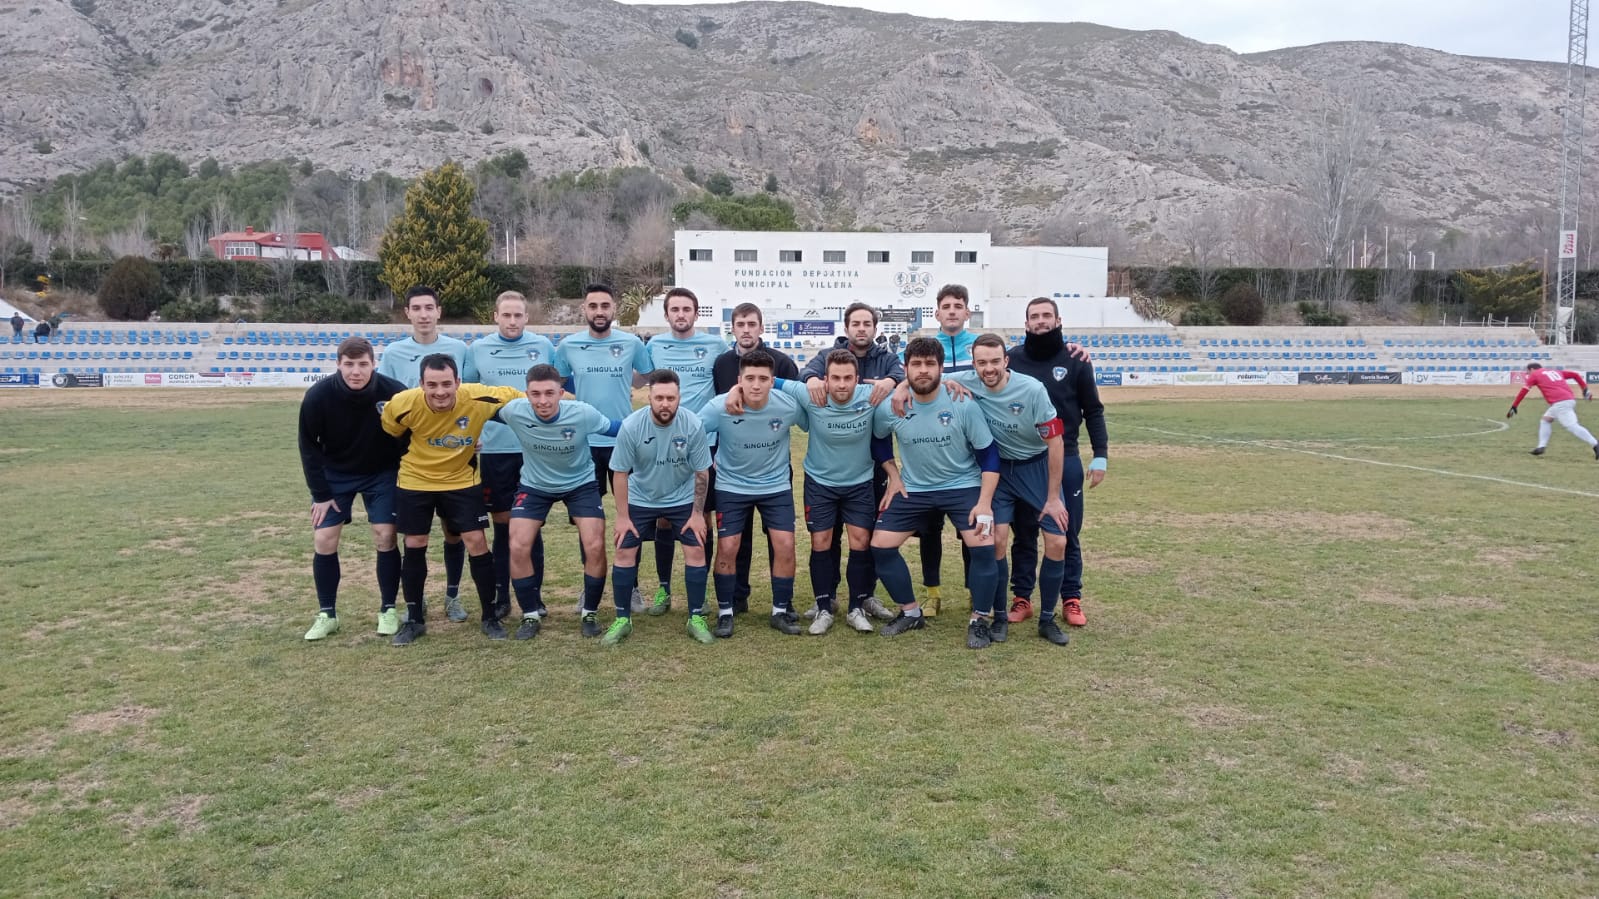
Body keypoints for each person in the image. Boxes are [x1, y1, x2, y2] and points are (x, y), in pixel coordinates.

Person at [379, 354, 522, 645]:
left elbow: (520, 397)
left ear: (458, 382)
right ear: (421, 384)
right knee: (414, 543)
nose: (440, 391)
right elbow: (391, 430)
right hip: (415, 480)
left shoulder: (479, 397)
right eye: (432, 385)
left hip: (461, 480)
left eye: (447, 383)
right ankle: (415, 620)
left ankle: (489, 617)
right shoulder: (402, 405)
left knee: (476, 542)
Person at [870, 337, 1002, 649]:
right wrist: (893, 476)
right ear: (906, 369)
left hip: (962, 486)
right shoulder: (892, 406)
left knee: (984, 544)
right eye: (916, 364)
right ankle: (911, 612)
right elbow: (878, 442)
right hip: (914, 489)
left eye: (930, 364)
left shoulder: (962, 403)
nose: (923, 371)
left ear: (942, 368)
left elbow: (989, 456)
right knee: (880, 547)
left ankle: (979, 619)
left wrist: (984, 503)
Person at [948, 334, 1074, 646]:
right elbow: (921, 376)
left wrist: (1054, 497)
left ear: (1006, 361)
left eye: (994, 361)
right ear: (973, 363)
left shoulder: (1032, 390)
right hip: (998, 472)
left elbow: (1055, 441)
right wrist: (898, 387)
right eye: (981, 363)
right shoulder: (966, 380)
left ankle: (1047, 619)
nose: (988, 369)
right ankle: (1000, 616)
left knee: (1057, 541)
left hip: (1036, 467)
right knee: (997, 540)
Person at [493, 365, 624, 641]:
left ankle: (589, 611)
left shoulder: (583, 414)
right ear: (526, 394)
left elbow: (617, 428)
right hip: (534, 485)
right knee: (517, 543)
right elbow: (471, 409)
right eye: (535, 394)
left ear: (562, 393)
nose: (543, 401)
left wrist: (661, 425)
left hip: (581, 484)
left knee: (595, 543)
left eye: (549, 393)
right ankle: (530, 614)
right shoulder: (514, 411)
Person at [795, 302, 904, 624]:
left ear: (875, 328)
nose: (861, 328)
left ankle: (864, 597)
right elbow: (804, 376)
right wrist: (812, 379)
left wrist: (892, 382)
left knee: (865, 537)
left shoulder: (886, 357)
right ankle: (825, 599)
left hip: (868, 463)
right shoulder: (829, 355)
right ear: (846, 328)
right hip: (827, 469)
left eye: (867, 323)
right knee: (826, 538)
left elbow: (905, 377)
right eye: (855, 323)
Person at [1004, 298, 1107, 630]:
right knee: (1024, 533)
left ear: (1058, 320)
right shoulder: (1013, 360)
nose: (1041, 321)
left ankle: (1071, 598)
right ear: (1026, 324)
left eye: (1046, 315)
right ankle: (1022, 597)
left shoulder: (1075, 360)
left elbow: (1093, 410)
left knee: (1066, 531)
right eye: (1034, 316)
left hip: (1068, 456)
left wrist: (1101, 455)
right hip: (1024, 460)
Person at [296, 337, 408, 641]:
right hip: (335, 475)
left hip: (382, 473)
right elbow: (309, 447)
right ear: (338, 365)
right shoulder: (318, 396)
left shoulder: (394, 392)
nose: (355, 371)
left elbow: (414, 433)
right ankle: (327, 614)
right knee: (324, 538)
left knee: (385, 535)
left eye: (362, 364)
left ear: (373, 364)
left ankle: (388, 609)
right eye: (349, 364)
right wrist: (320, 495)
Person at [376, 286, 473, 621]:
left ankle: (453, 596)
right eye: (416, 308)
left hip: (454, 454)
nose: (423, 314)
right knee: (414, 535)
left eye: (429, 307)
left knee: (454, 531)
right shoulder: (393, 353)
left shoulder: (459, 349)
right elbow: (386, 403)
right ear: (407, 313)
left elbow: (470, 397)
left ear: (439, 311)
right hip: (411, 454)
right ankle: (415, 602)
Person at [462, 291, 557, 629]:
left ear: (527, 317)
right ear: (495, 316)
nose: (513, 321)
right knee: (504, 525)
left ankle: (536, 596)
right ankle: (503, 596)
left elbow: (558, 394)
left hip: (535, 449)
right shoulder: (477, 350)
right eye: (507, 315)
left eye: (519, 315)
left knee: (533, 525)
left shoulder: (544, 347)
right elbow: (466, 399)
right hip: (495, 451)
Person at [699, 349, 805, 638]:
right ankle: (725, 612)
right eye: (749, 378)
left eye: (762, 378)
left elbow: (814, 416)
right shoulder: (720, 406)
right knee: (728, 546)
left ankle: (780, 611)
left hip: (775, 485)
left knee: (784, 544)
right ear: (739, 380)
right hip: (732, 485)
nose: (756, 385)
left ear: (773, 381)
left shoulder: (788, 406)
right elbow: (692, 432)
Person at [610, 370, 715, 643]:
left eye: (670, 398)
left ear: (679, 397)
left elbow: (702, 472)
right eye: (659, 397)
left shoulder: (692, 424)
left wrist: (696, 514)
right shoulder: (632, 426)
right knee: (624, 551)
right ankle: (622, 619)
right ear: (649, 397)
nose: (665, 403)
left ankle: (695, 617)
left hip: (681, 498)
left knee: (696, 549)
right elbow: (619, 473)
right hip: (641, 497)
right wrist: (622, 516)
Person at [638, 287, 726, 616]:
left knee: (702, 517)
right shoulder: (655, 346)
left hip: (704, 442)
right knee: (663, 517)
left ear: (696, 313)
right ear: (666, 315)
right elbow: (643, 385)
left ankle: (699, 591)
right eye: (674, 309)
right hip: (663, 442)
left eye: (686, 309)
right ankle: (663, 589)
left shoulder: (715, 345)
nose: (680, 314)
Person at [711, 303, 800, 614]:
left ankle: (781, 605)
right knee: (736, 541)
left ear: (761, 328)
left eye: (752, 324)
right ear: (732, 328)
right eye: (740, 324)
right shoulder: (722, 363)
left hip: (773, 470)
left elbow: (798, 397)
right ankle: (736, 599)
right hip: (733, 469)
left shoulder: (783, 362)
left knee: (780, 540)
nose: (746, 329)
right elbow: (713, 410)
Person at [1509, 362, 1599, 458]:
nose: (1528, 374)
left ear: (1531, 369)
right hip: (1567, 400)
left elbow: (1524, 390)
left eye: (1528, 372)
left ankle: (1595, 444)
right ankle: (1541, 447)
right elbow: (1575, 375)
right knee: (1545, 420)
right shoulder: (1554, 371)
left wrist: (1514, 405)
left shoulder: (1535, 374)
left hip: (1560, 403)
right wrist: (1584, 388)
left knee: (1572, 426)